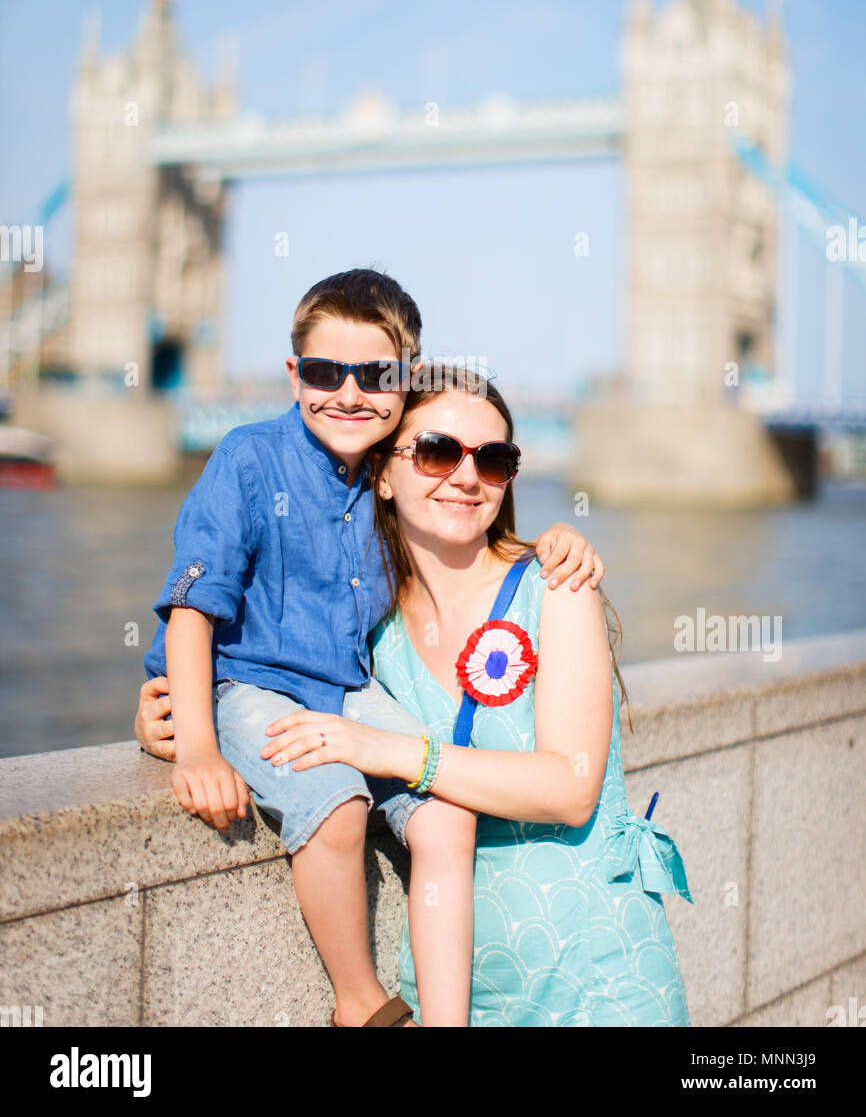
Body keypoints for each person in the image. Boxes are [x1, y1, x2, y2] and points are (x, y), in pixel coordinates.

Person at [139, 267, 604, 1028]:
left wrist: (555, 538)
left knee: (448, 814)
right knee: (335, 802)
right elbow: (194, 603)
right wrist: (196, 743)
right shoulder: (248, 460)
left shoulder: (392, 468)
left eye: (376, 375)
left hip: (345, 688)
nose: (349, 393)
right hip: (245, 684)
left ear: (406, 378)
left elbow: (481, 529)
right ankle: (361, 1003)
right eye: (325, 371)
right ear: (294, 375)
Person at [243, 367, 694, 1025]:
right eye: (436, 451)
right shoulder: (364, 625)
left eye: (494, 459)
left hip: (599, 984)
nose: (464, 476)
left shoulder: (557, 586)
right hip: (452, 997)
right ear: (384, 473)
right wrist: (174, 716)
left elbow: (569, 788)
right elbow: (258, 672)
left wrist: (392, 751)